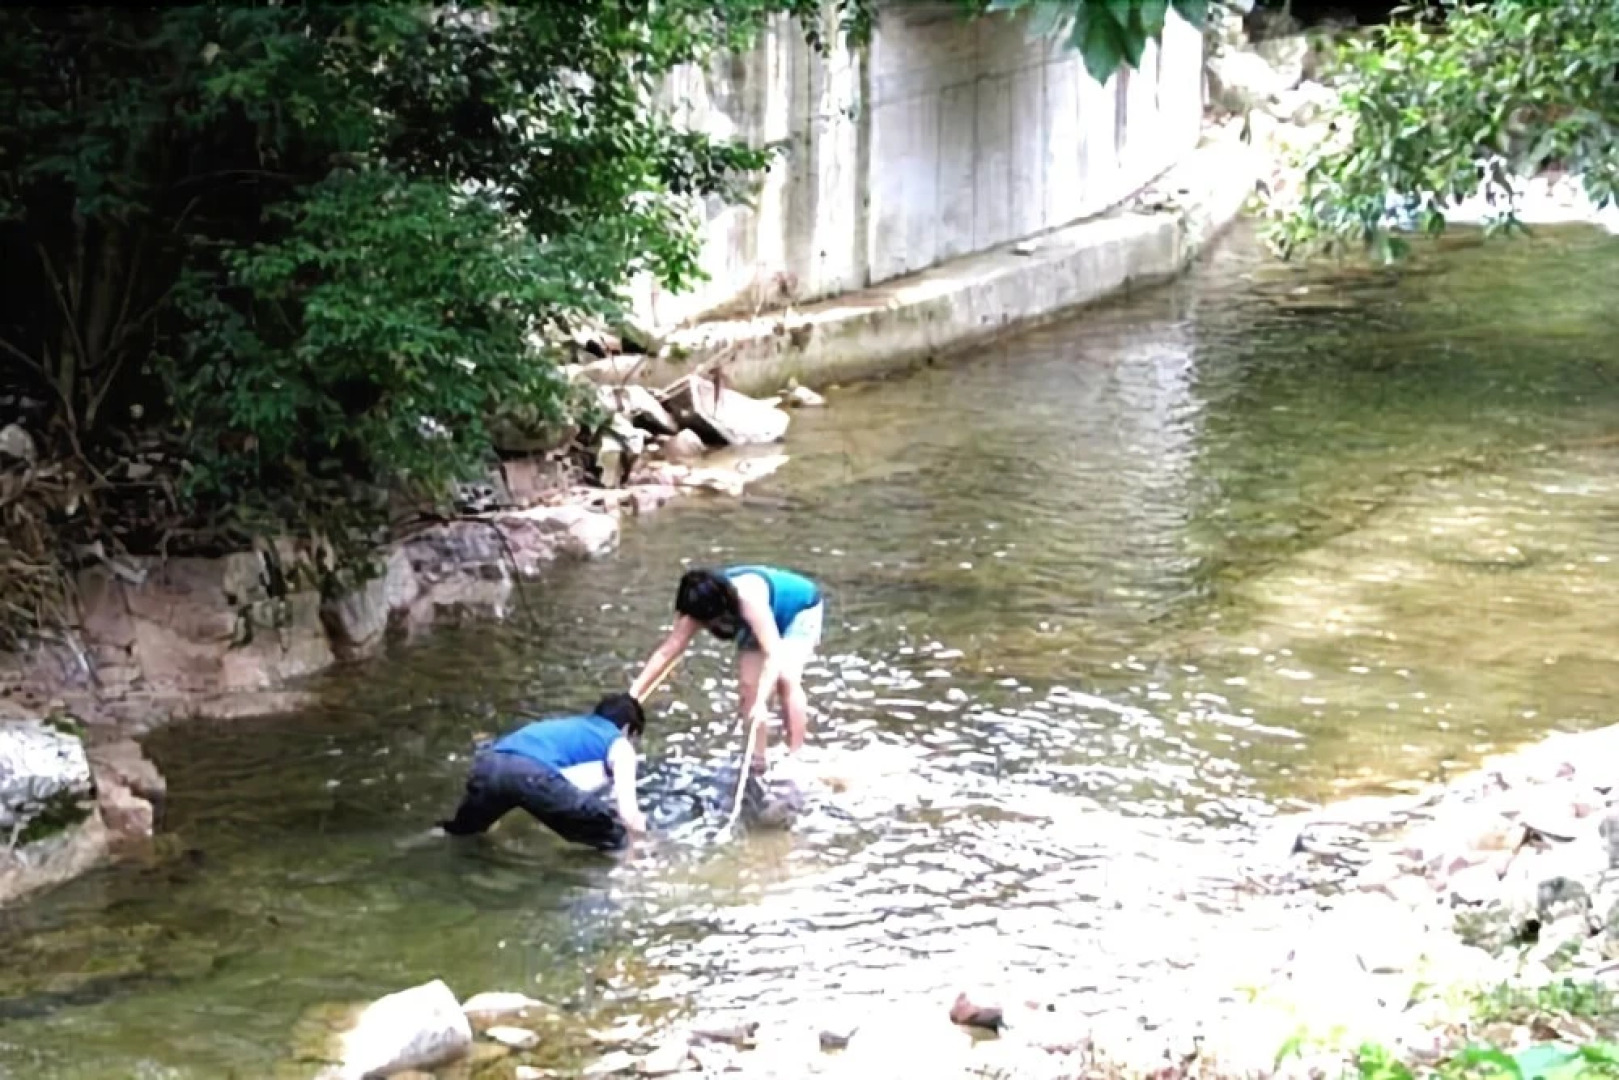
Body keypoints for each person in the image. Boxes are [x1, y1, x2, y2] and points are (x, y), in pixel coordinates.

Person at [630, 565, 824, 774]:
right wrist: (633, 696)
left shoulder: (748, 599)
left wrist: (762, 702)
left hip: (798, 610)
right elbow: (668, 651)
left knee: (786, 678)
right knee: (749, 688)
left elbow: (774, 653)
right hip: (756, 621)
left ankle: (795, 754)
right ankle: (757, 760)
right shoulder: (697, 606)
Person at [437, 693, 649, 851]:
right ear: (628, 729)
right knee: (617, 836)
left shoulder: (570, 726)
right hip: (531, 774)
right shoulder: (619, 744)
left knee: (462, 835)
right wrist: (642, 842)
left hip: (489, 764)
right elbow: (628, 812)